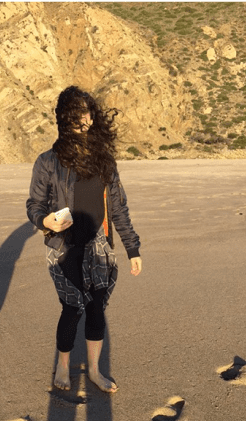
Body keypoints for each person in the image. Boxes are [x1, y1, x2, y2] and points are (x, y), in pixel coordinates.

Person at [26, 86, 142, 394]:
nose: (85, 119)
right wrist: (43, 220)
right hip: (64, 246)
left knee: (96, 310)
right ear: (65, 118)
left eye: (88, 112)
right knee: (72, 307)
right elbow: (34, 204)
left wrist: (132, 247)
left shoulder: (104, 160)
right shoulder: (48, 161)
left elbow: (118, 206)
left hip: (99, 245)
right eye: (77, 113)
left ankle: (93, 370)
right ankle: (63, 365)